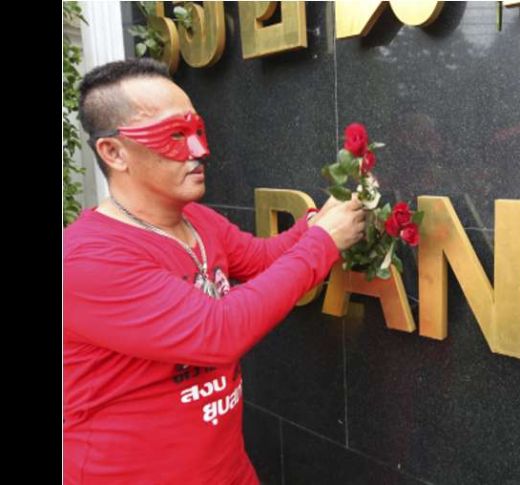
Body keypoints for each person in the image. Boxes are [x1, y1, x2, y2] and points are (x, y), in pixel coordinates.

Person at [63, 58, 365, 484]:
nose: (199, 151)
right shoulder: (86, 260)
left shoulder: (197, 222)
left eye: (197, 131)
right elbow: (217, 332)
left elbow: (263, 258)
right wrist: (324, 242)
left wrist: (317, 222)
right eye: (173, 136)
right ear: (113, 152)